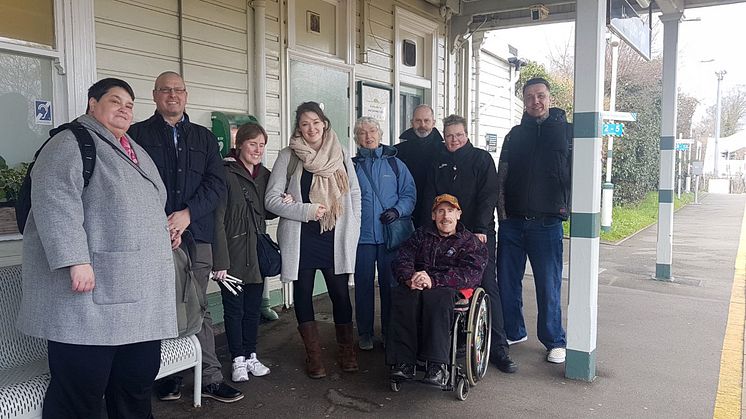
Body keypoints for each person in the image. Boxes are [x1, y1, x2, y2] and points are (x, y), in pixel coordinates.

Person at [17, 78, 178, 418]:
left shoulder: (132, 149)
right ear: (92, 104)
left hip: (137, 298)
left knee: (134, 386)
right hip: (90, 297)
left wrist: (162, 232)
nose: (124, 109)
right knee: (80, 394)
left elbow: (143, 205)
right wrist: (75, 259)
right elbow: (54, 202)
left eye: (130, 105)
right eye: (115, 101)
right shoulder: (70, 142)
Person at [128, 71, 243, 403]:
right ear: (155, 95)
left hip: (198, 234)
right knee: (157, 305)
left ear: (186, 95)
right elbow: (134, 185)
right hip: (153, 235)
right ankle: (165, 376)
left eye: (178, 90)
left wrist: (187, 214)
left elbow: (216, 184)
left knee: (199, 306)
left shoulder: (204, 138)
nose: (172, 95)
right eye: (166, 90)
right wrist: (162, 223)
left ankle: (208, 377)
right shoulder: (137, 135)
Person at [265, 101, 361, 379]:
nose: (311, 128)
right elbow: (271, 200)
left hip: (335, 238)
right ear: (299, 127)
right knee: (303, 295)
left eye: (316, 122)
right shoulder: (289, 156)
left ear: (325, 123)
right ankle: (314, 356)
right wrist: (304, 210)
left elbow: (354, 192)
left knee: (341, 295)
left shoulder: (340, 153)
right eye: (305, 124)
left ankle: (346, 351)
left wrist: (353, 224)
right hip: (302, 238)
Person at [419, 114, 517, 373]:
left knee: (486, 283)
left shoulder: (481, 159)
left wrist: (481, 229)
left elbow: (489, 195)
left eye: (458, 135)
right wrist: (428, 230)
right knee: (445, 282)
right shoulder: (437, 160)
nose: (454, 140)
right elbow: (429, 194)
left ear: (466, 135)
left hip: (476, 232)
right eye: (449, 135)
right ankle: (452, 342)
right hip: (444, 232)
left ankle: (498, 345)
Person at [496, 77, 571, 364]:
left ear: (549, 98)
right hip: (513, 223)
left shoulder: (567, 132)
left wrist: (567, 207)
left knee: (548, 285)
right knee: (507, 282)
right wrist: (503, 218)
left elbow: (580, 174)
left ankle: (554, 340)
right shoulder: (514, 135)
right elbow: (501, 177)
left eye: (540, 96)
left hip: (547, 224)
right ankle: (514, 331)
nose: (535, 101)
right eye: (529, 97)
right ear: (524, 102)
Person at [386, 194, 487, 387]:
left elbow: (471, 274)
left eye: (450, 211)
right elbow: (403, 257)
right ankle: (404, 362)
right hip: (419, 282)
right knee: (403, 295)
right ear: (433, 215)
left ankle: (437, 365)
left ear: (458, 214)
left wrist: (434, 280)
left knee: (437, 298)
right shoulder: (421, 235)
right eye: (440, 211)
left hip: (448, 287)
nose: (445, 216)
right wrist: (409, 278)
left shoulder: (470, 242)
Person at [211, 122, 274, 383]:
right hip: (233, 254)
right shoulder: (225, 173)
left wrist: (286, 201)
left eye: (261, 145)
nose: (257, 150)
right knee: (233, 309)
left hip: (256, 255)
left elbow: (268, 210)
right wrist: (220, 261)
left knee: (252, 310)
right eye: (252, 144)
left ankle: (251, 355)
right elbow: (217, 218)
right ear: (240, 145)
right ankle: (236, 359)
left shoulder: (265, 175)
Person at [352, 116, 416, 350]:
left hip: (390, 238)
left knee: (391, 286)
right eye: (362, 133)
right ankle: (365, 334)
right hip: (362, 239)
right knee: (363, 287)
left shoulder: (395, 165)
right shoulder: (351, 166)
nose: (368, 136)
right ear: (356, 138)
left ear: (380, 134)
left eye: (372, 131)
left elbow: (409, 194)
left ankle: (390, 331)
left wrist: (397, 211)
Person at [395, 104, 444, 227]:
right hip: (405, 214)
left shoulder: (445, 151)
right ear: (412, 122)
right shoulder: (398, 152)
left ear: (433, 123)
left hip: (438, 215)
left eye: (426, 121)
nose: (422, 125)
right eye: (418, 121)